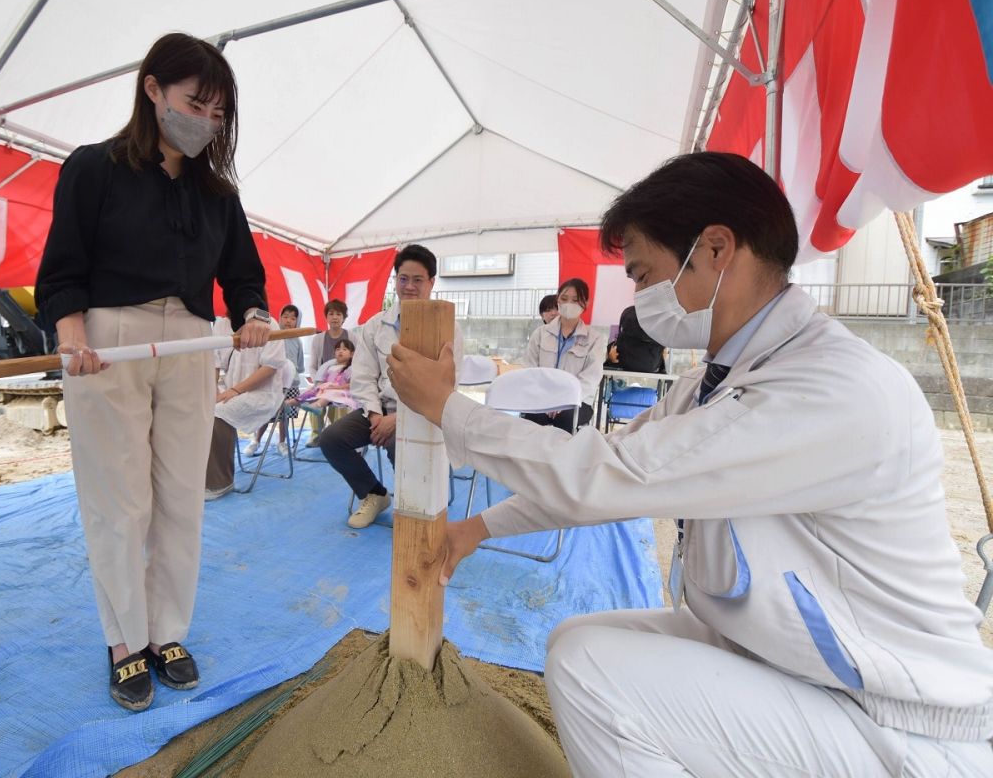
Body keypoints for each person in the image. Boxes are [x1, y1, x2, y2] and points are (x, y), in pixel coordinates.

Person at [387, 151, 993, 776]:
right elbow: (611, 463)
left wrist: (449, 410)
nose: (640, 298)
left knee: (592, 674)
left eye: (645, 275)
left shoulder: (831, 387)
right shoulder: (719, 378)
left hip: (890, 716)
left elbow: (609, 478)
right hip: (782, 660)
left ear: (715, 250)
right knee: (574, 641)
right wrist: (476, 528)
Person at [34, 33, 271, 713]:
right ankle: (124, 641)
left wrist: (252, 311)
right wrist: (72, 335)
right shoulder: (93, 168)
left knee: (178, 498)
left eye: (218, 112)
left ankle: (168, 632)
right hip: (111, 342)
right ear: (153, 90)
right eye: (197, 103)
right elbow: (63, 268)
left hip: (193, 344)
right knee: (120, 500)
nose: (207, 120)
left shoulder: (218, 195)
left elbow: (243, 276)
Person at [319, 243, 461, 529]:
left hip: (424, 415)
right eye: (403, 278)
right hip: (379, 411)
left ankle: (414, 508)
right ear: (395, 280)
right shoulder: (375, 325)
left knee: (403, 442)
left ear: (431, 282)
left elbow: (447, 386)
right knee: (331, 439)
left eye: (418, 280)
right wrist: (375, 417)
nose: (409, 286)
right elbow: (362, 376)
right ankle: (374, 493)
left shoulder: (448, 328)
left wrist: (399, 421)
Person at [211, 319, 288, 485]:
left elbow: (270, 367)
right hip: (229, 388)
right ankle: (200, 473)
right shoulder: (221, 324)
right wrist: (213, 390)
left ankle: (219, 482)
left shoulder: (269, 324)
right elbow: (214, 362)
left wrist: (235, 390)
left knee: (218, 413)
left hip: (263, 393)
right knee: (199, 409)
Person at [522, 278, 605, 431]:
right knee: (533, 416)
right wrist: (544, 398)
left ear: (585, 303)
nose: (569, 304)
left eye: (575, 300)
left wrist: (565, 400)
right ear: (558, 299)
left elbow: (591, 377)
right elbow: (529, 368)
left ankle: (564, 454)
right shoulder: (540, 334)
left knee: (566, 419)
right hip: (542, 397)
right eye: (564, 299)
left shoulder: (594, 339)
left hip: (577, 400)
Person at [251, 304, 303, 456]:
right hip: (273, 384)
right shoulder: (272, 337)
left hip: (291, 384)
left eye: (293, 318)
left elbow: (299, 366)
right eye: (285, 317)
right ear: (279, 318)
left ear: (297, 321)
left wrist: (292, 375)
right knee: (266, 414)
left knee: (284, 417)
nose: (288, 321)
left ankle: (282, 442)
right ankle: (256, 441)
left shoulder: (298, 341)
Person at [304, 299, 351, 448]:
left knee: (341, 402)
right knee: (314, 397)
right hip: (322, 382)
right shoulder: (318, 339)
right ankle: (316, 435)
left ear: (344, 317)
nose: (335, 317)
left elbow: (358, 364)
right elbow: (312, 366)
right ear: (326, 317)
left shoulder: (352, 337)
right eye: (331, 313)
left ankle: (339, 436)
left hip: (344, 385)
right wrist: (318, 382)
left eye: (339, 314)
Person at [298, 339, 357, 410]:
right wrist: (322, 386)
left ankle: (317, 406)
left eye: (344, 349)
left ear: (351, 354)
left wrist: (335, 388)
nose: (340, 351)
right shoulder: (330, 367)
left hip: (341, 391)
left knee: (330, 393)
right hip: (328, 389)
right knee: (312, 390)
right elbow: (323, 380)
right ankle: (295, 402)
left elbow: (352, 384)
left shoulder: (350, 369)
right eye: (338, 349)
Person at [605, 305, 665, 373]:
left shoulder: (629, 312)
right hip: (651, 363)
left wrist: (609, 359)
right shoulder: (658, 315)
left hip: (622, 361)